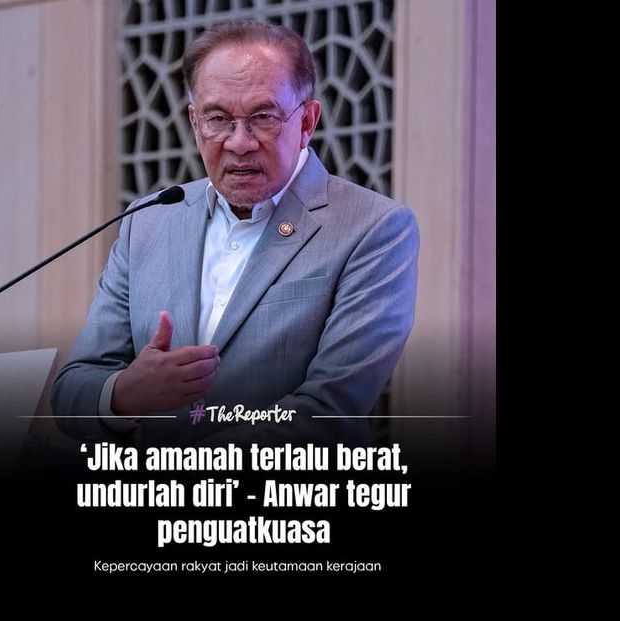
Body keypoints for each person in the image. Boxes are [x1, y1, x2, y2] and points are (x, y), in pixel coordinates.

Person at [50, 19, 418, 448]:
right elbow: (72, 390)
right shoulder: (148, 221)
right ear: (194, 122)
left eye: (263, 117)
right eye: (218, 118)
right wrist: (124, 393)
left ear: (307, 122)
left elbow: (328, 412)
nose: (239, 142)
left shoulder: (373, 228)